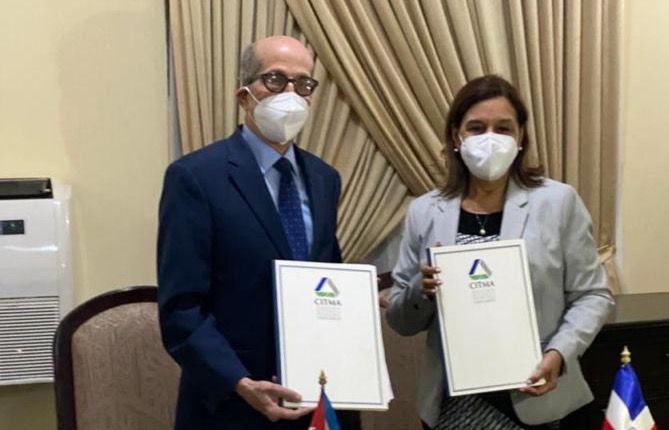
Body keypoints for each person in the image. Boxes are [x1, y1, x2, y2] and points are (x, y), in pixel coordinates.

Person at [386, 75, 615, 430]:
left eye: (503, 128)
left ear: (520, 137)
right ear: (456, 137)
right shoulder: (425, 211)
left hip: (537, 397)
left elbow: (593, 295)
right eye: (476, 128)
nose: (490, 139)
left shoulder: (558, 202)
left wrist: (559, 353)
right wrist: (421, 289)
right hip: (454, 407)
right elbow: (401, 321)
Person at [157, 36, 359, 430]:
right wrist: (239, 382)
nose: (290, 94)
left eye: (303, 84)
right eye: (275, 79)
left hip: (316, 398)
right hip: (233, 404)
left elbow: (326, 278)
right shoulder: (195, 177)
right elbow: (181, 308)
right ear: (244, 96)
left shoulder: (324, 178)